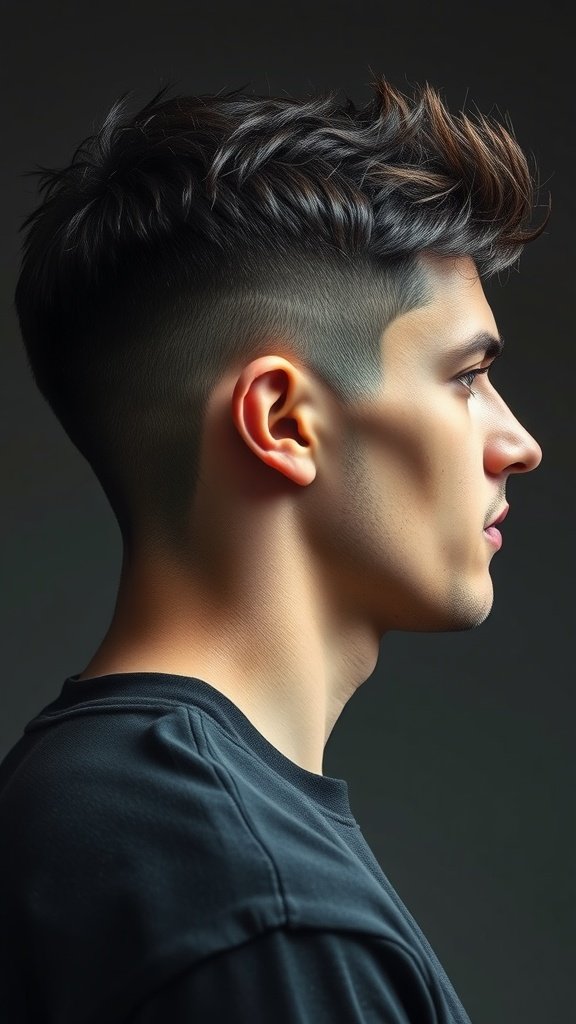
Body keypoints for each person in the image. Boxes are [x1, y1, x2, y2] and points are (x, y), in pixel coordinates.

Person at [0, 72, 547, 1022]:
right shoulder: (260, 907)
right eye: (465, 379)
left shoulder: (89, 816)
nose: (520, 443)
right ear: (285, 420)